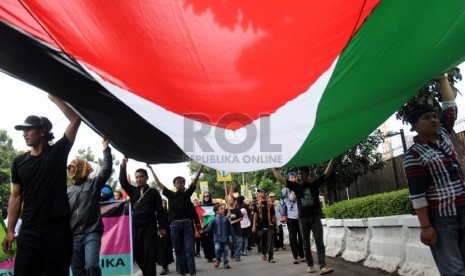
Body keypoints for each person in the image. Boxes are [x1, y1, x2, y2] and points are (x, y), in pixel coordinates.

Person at [2, 94, 81, 275]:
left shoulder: (58, 153)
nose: (24, 133)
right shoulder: (19, 162)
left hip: (56, 231)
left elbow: (75, 119)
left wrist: (54, 97)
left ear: (42, 131)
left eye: (29, 129)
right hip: (28, 229)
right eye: (23, 130)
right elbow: (16, 196)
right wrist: (10, 231)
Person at [403, 73, 465, 275]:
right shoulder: (413, 155)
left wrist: (443, 79)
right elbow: (418, 196)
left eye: (434, 116)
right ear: (415, 126)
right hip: (443, 219)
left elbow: (450, 107)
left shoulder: (444, 135)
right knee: (454, 270)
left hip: (463, 209)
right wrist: (425, 227)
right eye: (426, 118)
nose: (433, 120)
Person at [272, 159, 335, 274]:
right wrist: (273, 169)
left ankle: (322, 266)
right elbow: (281, 179)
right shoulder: (296, 186)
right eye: (299, 174)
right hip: (303, 219)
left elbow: (326, 174)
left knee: (319, 242)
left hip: (315, 217)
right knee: (305, 243)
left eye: (302, 174)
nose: (300, 176)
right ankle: (310, 265)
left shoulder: (314, 184)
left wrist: (333, 160)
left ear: (308, 173)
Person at [67, 138, 113, 276]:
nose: (70, 170)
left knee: (92, 266)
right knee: (77, 270)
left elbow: (106, 169)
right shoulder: (67, 191)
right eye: (69, 168)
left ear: (81, 167)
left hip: (92, 232)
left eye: (72, 167)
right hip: (73, 236)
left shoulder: (94, 184)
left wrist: (106, 149)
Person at [149, 164, 204, 276]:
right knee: (178, 250)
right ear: (174, 185)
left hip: (187, 225)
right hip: (174, 226)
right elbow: (159, 183)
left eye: (182, 182)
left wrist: (202, 167)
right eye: (177, 182)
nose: (180, 184)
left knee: (189, 250)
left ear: (184, 185)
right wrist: (151, 169)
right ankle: (182, 272)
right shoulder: (170, 195)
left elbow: (195, 180)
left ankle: (192, 272)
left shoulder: (187, 194)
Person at [119, 158, 167, 276]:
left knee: (149, 254)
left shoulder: (154, 192)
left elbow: (159, 210)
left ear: (146, 178)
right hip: (136, 227)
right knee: (138, 254)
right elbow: (123, 181)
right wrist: (123, 166)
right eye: (137, 177)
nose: (138, 179)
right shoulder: (133, 190)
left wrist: (162, 226)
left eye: (141, 176)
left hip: (150, 227)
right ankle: (147, 272)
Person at [281, 172, 304, 264]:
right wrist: (284, 215)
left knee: (302, 237)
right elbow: (283, 203)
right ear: (288, 179)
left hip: (300, 216)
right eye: (291, 178)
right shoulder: (284, 190)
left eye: (295, 177)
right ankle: (295, 256)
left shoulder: (300, 187)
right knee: (293, 237)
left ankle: (302, 255)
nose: (294, 179)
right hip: (290, 217)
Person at [204, 204, 235, 269]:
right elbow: (210, 228)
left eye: (223, 209)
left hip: (225, 238)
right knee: (217, 249)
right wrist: (204, 231)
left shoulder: (226, 219)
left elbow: (231, 229)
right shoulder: (214, 220)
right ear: (216, 211)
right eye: (220, 209)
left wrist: (233, 237)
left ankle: (226, 263)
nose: (223, 210)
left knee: (226, 251)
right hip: (217, 239)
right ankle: (218, 259)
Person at [252, 189, 278, 263]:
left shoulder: (270, 204)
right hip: (260, 225)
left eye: (262, 192)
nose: (261, 193)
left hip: (269, 224)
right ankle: (264, 253)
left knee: (270, 242)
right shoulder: (256, 204)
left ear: (265, 193)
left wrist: (276, 225)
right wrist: (254, 226)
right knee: (262, 241)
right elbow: (255, 215)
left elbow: (273, 215)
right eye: (260, 192)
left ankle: (271, 258)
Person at [158, 198, 174, 275]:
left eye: (164, 203)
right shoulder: (156, 213)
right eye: (161, 203)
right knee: (160, 251)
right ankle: (164, 266)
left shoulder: (168, 213)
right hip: (158, 235)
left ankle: (165, 267)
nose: (163, 205)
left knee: (165, 250)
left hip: (166, 235)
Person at [225, 196, 242, 261]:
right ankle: (232, 252)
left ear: (234, 201)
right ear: (227, 202)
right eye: (229, 200)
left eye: (231, 200)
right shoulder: (226, 210)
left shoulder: (237, 209)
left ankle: (237, 256)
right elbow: (223, 219)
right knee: (231, 243)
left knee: (238, 243)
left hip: (237, 228)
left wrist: (233, 221)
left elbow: (241, 218)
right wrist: (227, 216)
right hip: (229, 230)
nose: (230, 201)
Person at [200, 192, 216, 263]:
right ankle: (208, 256)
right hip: (204, 226)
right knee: (205, 242)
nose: (206, 197)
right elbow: (199, 216)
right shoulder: (201, 207)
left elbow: (216, 213)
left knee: (212, 241)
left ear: (210, 196)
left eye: (207, 196)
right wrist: (201, 223)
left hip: (212, 226)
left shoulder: (213, 206)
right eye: (204, 196)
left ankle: (212, 256)